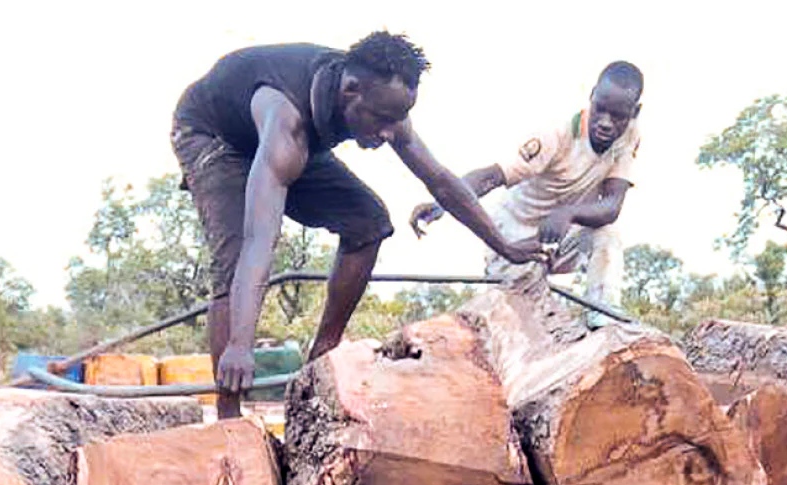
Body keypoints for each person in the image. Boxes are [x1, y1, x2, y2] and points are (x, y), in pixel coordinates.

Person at [173, 33, 544, 406]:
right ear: (351, 90)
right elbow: (259, 239)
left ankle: (321, 356)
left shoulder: (381, 103)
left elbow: (441, 182)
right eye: (382, 120)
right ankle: (230, 417)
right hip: (213, 136)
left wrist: (506, 246)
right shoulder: (288, 121)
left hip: (279, 142)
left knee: (368, 222)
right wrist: (240, 344)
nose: (388, 133)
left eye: (397, 120)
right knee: (235, 259)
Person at [411, 61, 643, 309]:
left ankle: (603, 313)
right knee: (523, 316)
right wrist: (443, 201)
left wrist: (568, 213)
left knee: (607, 237)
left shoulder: (629, 137)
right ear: (592, 96)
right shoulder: (557, 135)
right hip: (514, 241)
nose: (606, 123)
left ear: (634, 112)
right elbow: (492, 176)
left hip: (559, 238)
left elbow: (612, 205)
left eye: (618, 116)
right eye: (600, 110)